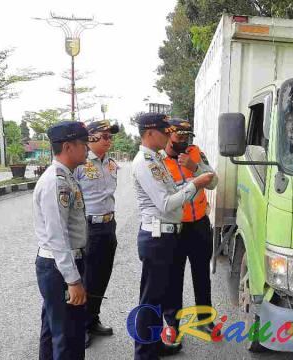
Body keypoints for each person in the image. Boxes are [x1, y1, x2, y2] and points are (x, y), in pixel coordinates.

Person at [130, 113, 215, 360]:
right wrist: (195, 183)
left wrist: (195, 171)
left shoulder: (158, 158)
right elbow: (166, 203)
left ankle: (154, 346)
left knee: (160, 294)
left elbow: (209, 181)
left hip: (184, 228)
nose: (173, 136)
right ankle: (147, 351)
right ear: (149, 133)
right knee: (156, 296)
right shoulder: (148, 161)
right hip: (160, 236)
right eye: (167, 132)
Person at [33, 121, 90, 360]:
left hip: (59, 265)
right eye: (84, 144)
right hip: (60, 268)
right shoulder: (57, 182)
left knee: (54, 331)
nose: (88, 149)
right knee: (68, 337)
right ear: (68, 146)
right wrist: (73, 280)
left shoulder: (65, 176)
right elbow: (58, 237)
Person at [161, 118, 218, 350]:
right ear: (168, 135)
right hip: (175, 228)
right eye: (178, 136)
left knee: (202, 275)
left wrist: (194, 167)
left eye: (187, 136)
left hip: (199, 225)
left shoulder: (196, 153)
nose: (183, 141)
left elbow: (213, 183)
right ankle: (172, 324)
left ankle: (205, 319)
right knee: (173, 278)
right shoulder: (158, 161)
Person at [74, 120, 120, 347]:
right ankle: (79, 325)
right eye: (104, 136)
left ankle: (93, 318)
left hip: (108, 225)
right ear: (90, 137)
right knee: (86, 278)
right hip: (88, 227)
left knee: (102, 275)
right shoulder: (79, 164)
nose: (109, 140)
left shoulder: (111, 163)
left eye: (111, 137)